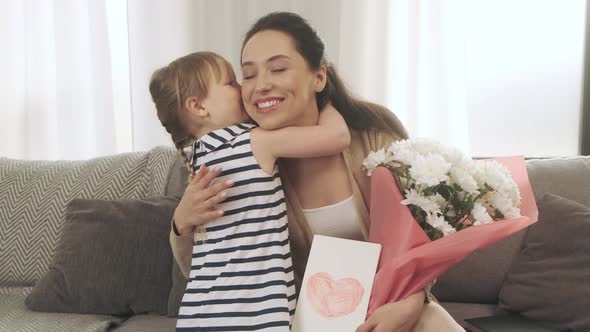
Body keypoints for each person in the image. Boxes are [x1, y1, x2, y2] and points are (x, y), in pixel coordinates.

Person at [170, 12, 464, 332]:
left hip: (390, 309)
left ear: (319, 77)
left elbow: (422, 237)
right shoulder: (241, 161)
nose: (261, 86)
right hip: (301, 324)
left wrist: (412, 300)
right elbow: (215, 274)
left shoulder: (374, 137)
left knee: (433, 320)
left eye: (278, 68)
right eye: (248, 75)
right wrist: (181, 224)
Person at [150, 51, 351, 331]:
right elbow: (337, 137)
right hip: (257, 311)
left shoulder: (198, 158)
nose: (244, 88)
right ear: (198, 106)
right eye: (231, 83)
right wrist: (322, 97)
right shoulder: (252, 142)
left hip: (199, 312)